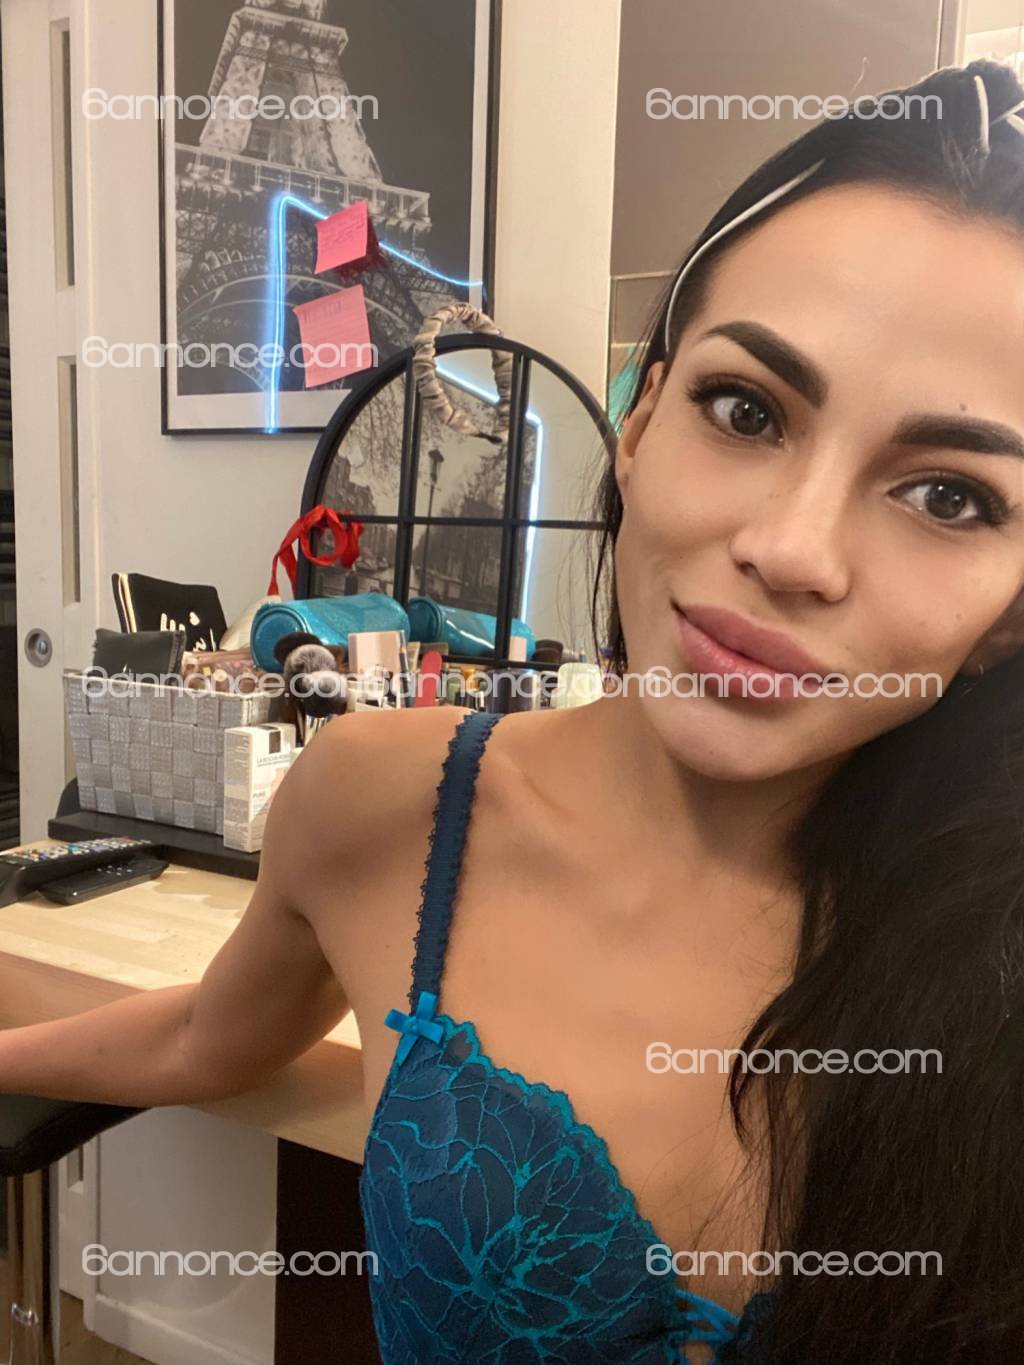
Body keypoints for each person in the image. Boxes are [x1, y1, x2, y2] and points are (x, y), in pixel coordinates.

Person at [5, 57, 1024, 1363]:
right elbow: (212, 1031)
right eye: (745, 408)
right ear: (639, 422)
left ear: (1011, 610)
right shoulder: (384, 800)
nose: (792, 549)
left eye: (950, 496)